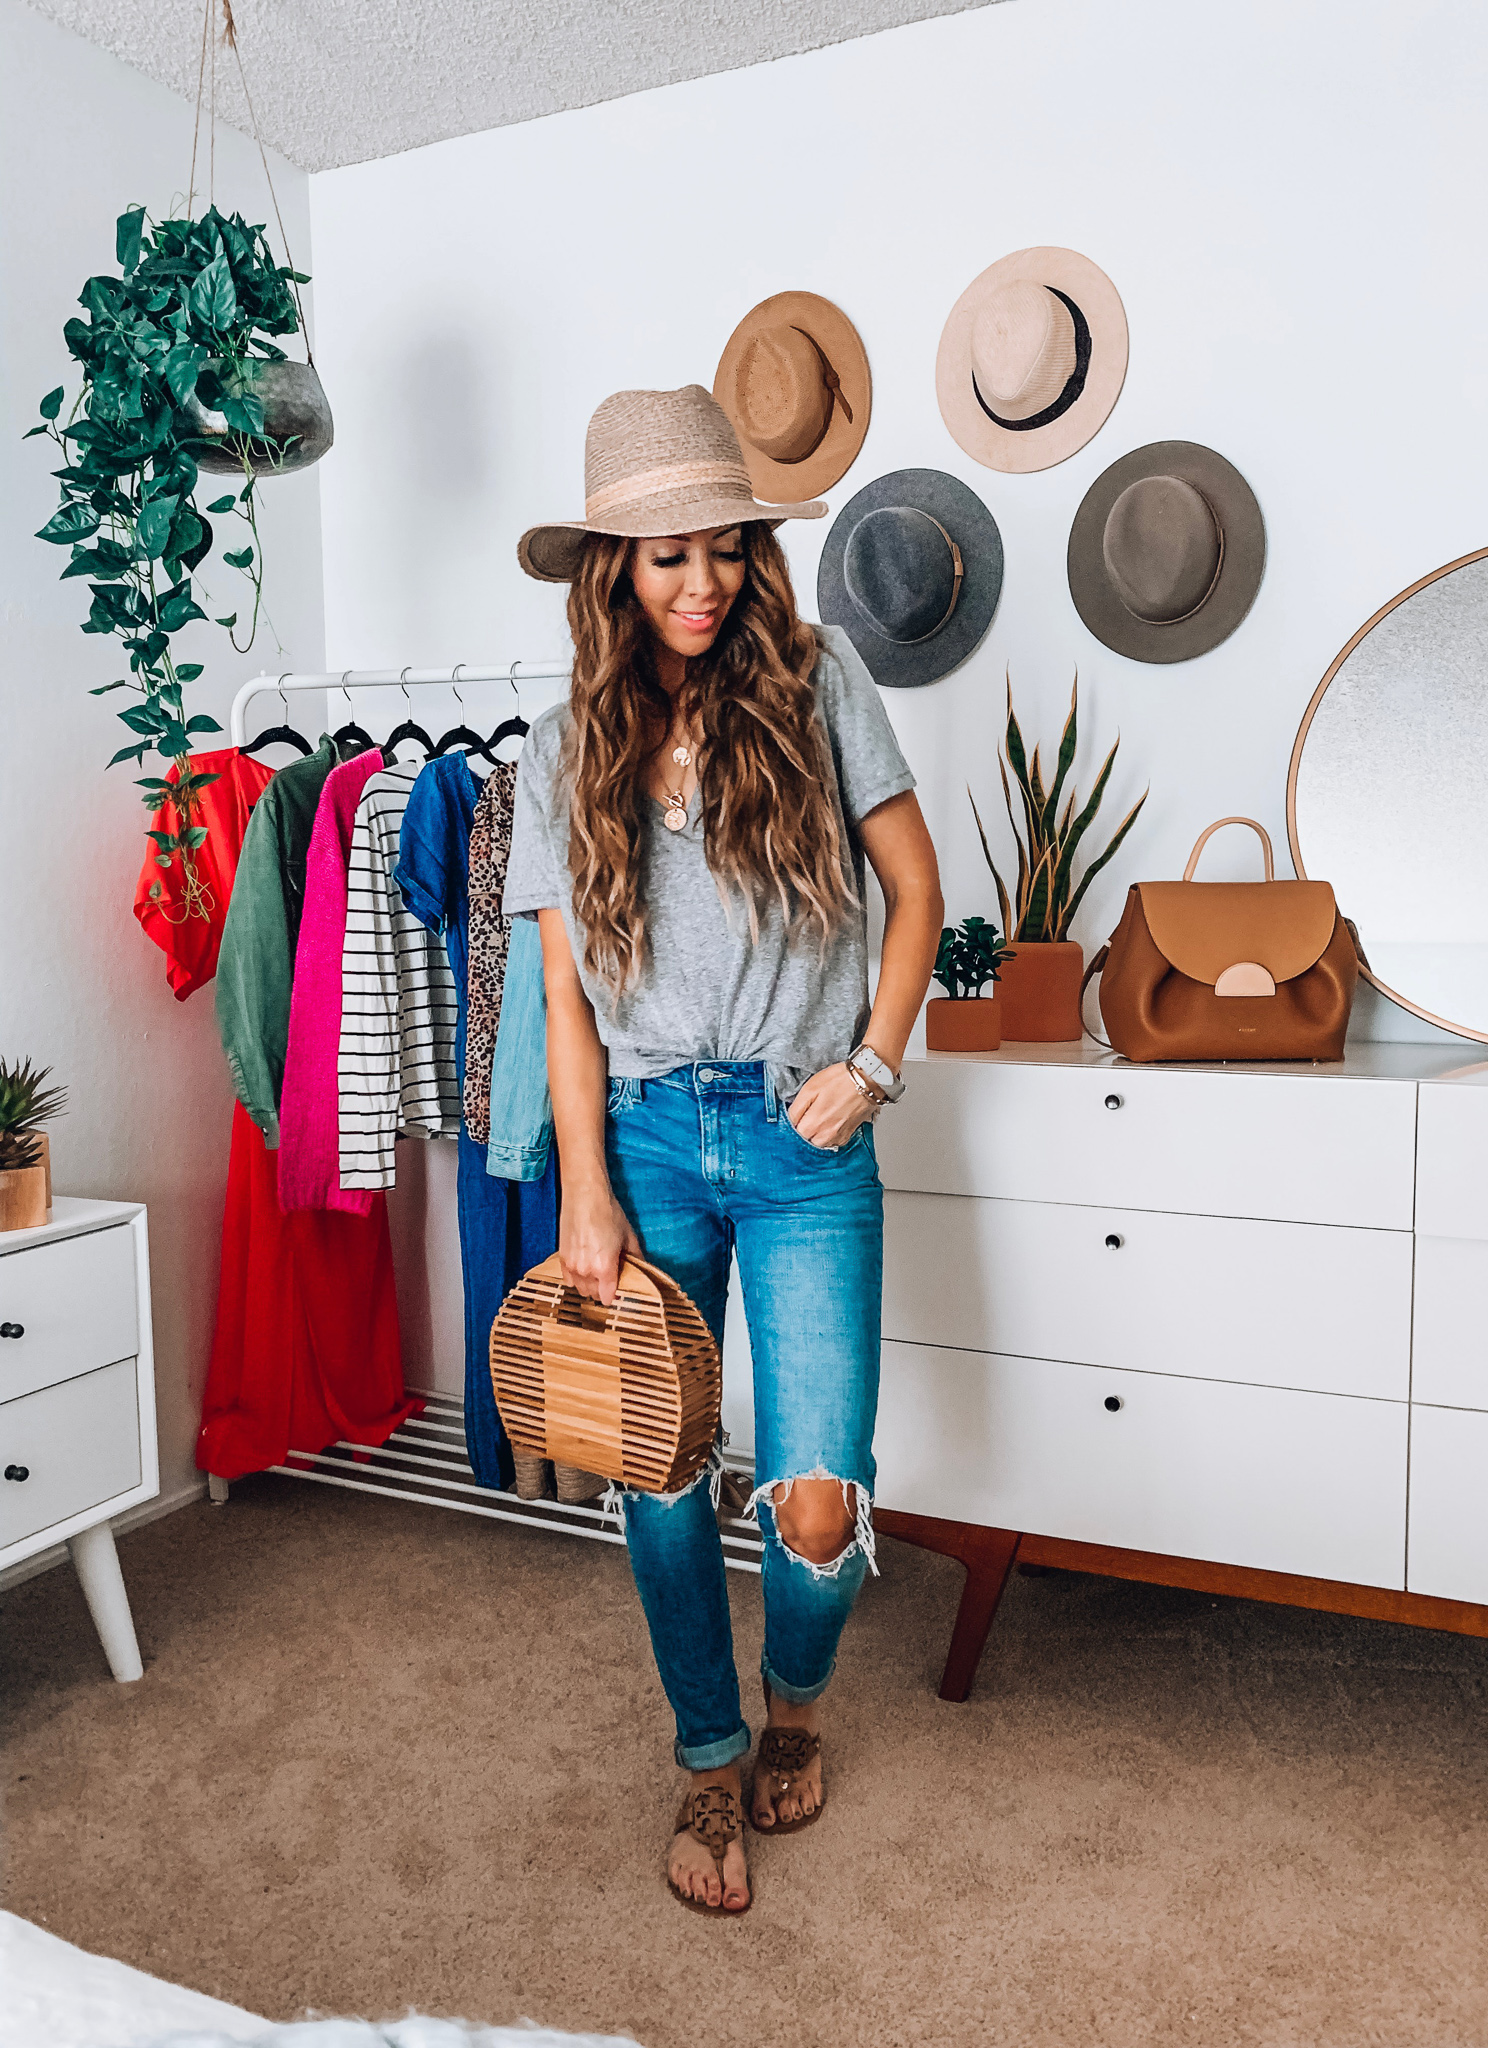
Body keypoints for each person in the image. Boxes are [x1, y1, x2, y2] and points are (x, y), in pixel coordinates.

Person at [505, 385, 943, 1915]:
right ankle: (707, 1752)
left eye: (719, 549)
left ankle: (795, 1712)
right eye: (660, 557)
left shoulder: (824, 686)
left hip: (804, 1135)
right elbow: (562, 1001)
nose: (696, 583)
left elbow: (918, 895)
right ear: (611, 574)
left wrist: (874, 1068)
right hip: (644, 1140)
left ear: (755, 551)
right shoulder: (559, 744)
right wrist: (583, 1194)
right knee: (662, 1475)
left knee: (818, 1499)